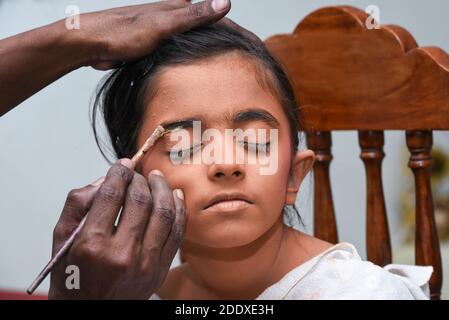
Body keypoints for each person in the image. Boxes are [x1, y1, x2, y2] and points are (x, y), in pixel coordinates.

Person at [81, 23, 432, 300]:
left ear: (294, 177)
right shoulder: (130, 294)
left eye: (255, 140)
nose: (226, 164)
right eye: (184, 144)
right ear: (136, 184)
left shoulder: (361, 293)